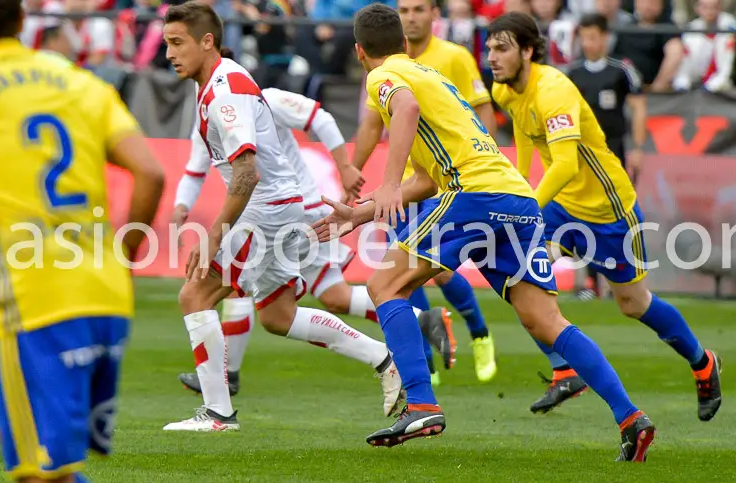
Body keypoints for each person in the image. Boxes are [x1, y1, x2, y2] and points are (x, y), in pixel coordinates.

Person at [314, 5, 655, 461]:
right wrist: (360, 213)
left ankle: (420, 403)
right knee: (547, 321)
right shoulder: (433, 77)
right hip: (517, 199)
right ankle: (631, 417)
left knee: (383, 284)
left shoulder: (385, 78)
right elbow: (427, 180)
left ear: (360, 51)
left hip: (475, 197)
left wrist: (388, 182)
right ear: (400, 40)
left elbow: (405, 110)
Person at [159, 2, 404, 432]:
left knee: (194, 294)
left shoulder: (224, 92)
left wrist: (216, 232)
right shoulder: (216, 84)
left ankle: (218, 414)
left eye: (177, 42)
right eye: (166, 44)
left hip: (266, 210)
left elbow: (247, 172)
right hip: (282, 206)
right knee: (277, 316)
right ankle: (384, 359)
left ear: (207, 41)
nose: (169, 53)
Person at [0, 1, 166, 482]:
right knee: (53, 471)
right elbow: (150, 172)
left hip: (34, 303)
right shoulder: (77, 81)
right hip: (106, 294)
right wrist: (121, 258)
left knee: (39, 473)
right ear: (23, 22)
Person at [488, 12, 723, 422]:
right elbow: (524, 130)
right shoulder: (505, 89)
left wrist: (527, 207)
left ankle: (703, 363)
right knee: (518, 275)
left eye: (502, 48)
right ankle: (564, 369)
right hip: (562, 206)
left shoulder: (554, 90)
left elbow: (562, 164)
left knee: (633, 304)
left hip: (607, 207)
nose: (491, 56)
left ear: (527, 51)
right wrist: (522, 184)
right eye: (489, 47)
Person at [173, 77, 450, 397]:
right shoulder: (209, 114)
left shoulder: (260, 98)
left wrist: (347, 166)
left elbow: (319, 116)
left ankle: (226, 377)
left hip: (294, 210)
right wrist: (182, 204)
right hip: (283, 210)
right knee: (325, 297)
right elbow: (195, 167)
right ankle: (418, 322)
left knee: (235, 287)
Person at [352, 0, 498, 385]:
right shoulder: (406, 70)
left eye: (419, 9)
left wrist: (386, 185)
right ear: (401, 33)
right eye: (406, 9)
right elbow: (373, 124)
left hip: (461, 182)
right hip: (427, 178)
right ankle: (427, 362)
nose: (413, 15)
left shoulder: (450, 58)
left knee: (411, 276)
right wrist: (354, 172)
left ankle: (475, 336)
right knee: (408, 268)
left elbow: (419, 109)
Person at [565, 13, 647, 300]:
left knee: (616, 215)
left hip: (613, 152)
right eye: (584, 37)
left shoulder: (622, 69)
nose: (588, 43)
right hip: (581, 155)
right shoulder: (572, 73)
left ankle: (618, 280)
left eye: (593, 37)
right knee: (582, 214)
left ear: (604, 37)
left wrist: (637, 147)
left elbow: (638, 107)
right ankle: (589, 282)